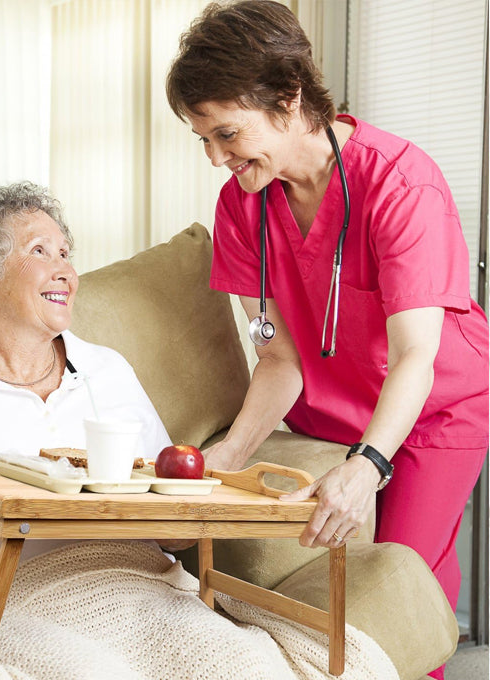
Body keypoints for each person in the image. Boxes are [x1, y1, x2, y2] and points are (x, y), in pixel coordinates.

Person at [0, 181, 396, 680]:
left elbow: (169, 500)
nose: (65, 269)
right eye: (40, 252)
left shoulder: (106, 369)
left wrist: (191, 517)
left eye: (66, 252)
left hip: (135, 587)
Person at [165, 4, 488, 679]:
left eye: (227, 134)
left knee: (395, 580)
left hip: (434, 405)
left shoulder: (400, 184)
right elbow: (279, 355)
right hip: (330, 404)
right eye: (203, 140)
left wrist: (367, 465)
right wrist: (229, 452)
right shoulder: (241, 204)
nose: (217, 159)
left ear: (287, 99)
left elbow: (416, 356)